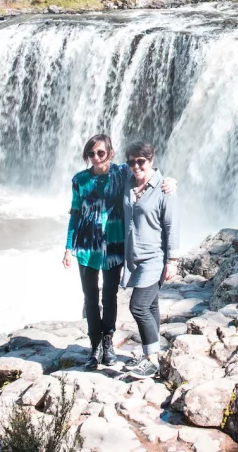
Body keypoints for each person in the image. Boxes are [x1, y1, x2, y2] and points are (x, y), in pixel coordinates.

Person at [63, 134, 174, 370]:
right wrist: (68, 247)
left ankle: (108, 342)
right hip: (87, 247)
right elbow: (74, 213)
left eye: (100, 153)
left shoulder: (121, 172)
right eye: (91, 154)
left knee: (109, 297)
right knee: (91, 298)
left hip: (114, 247)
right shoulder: (80, 180)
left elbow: (146, 168)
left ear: (111, 154)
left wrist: (171, 181)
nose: (95, 158)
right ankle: (95, 347)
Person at [120, 141, 180, 379]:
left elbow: (171, 225)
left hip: (154, 258)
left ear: (151, 161)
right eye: (131, 162)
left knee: (138, 306)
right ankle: (153, 354)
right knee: (152, 305)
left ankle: (151, 360)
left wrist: (172, 260)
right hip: (134, 257)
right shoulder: (128, 184)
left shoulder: (165, 189)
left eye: (141, 161)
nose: (136, 166)